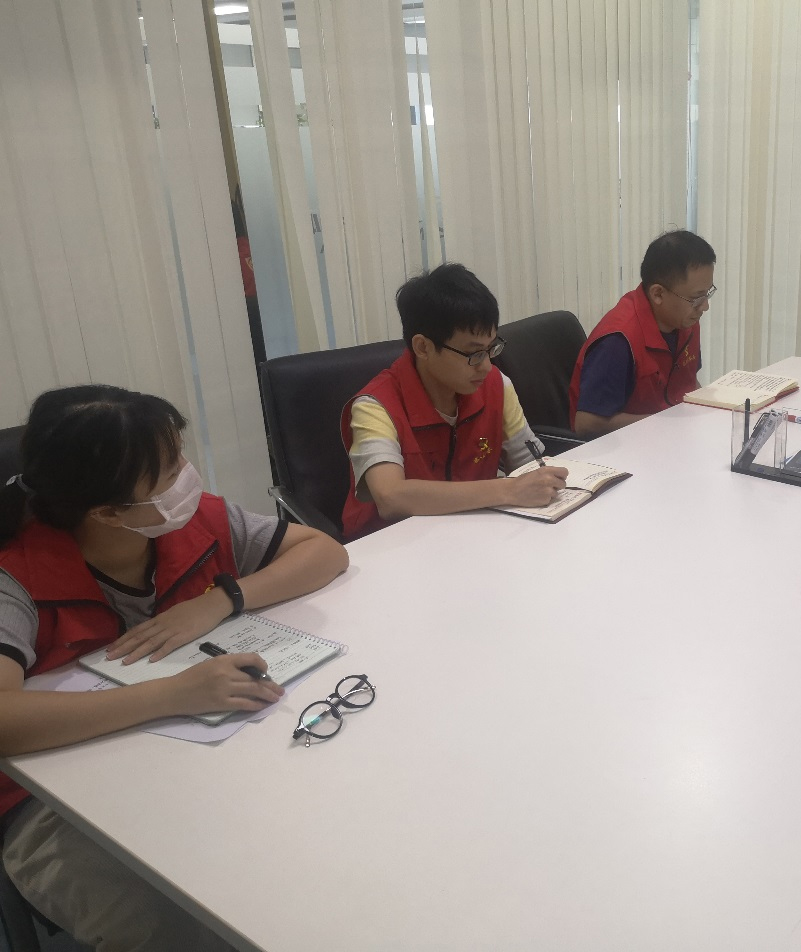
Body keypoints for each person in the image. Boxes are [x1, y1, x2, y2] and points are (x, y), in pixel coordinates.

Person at [0, 384, 349, 951]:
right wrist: (169, 694)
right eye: (168, 472)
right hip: (48, 805)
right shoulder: (16, 575)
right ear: (106, 511)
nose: (187, 477)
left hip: (197, 762)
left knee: (306, 869)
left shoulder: (194, 522)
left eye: (179, 456)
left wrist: (221, 600)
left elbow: (325, 552)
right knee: (184, 925)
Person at [341, 263, 568, 539]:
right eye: (474, 354)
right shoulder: (376, 406)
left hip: (472, 535)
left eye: (491, 348)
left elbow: (529, 464)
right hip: (392, 545)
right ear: (423, 347)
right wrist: (509, 489)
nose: (486, 366)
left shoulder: (496, 385)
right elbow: (390, 497)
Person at [569, 230, 715, 436]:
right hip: (628, 446)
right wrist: (665, 423)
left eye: (708, 293)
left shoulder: (685, 322)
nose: (705, 306)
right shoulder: (618, 341)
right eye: (696, 298)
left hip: (672, 437)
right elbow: (586, 424)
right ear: (658, 294)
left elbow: (687, 383)